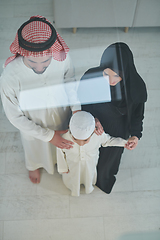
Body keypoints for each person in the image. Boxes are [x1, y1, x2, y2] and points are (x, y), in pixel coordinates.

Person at [0, 16, 81, 184]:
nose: (39, 68)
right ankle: (33, 165)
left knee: (63, 143)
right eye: (32, 62)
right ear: (23, 54)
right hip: (33, 123)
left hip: (61, 114)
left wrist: (77, 109)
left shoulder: (62, 58)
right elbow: (15, 117)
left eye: (45, 61)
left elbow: (70, 81)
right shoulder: (10, 76)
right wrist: (50, 136)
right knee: (35, 147)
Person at [80, 42, 147, 194]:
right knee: (87, 155)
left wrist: (135, 135)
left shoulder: (136, 87)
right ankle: (85, 179)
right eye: (106, 74)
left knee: (109, 161)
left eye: (116, 75)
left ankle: (102, 181)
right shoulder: (91, 76)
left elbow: (137, 115)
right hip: (93, 122)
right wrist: (93, 119)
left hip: (119, 127)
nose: (111, 80)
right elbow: (81, 102)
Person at [56, 111, 128, 196]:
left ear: (93, 130)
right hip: (72, 166)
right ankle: (73, 188)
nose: (81, 144)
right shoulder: (64, 138)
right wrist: (63, 168)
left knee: (88, 176)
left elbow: (109, 140)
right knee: (73, 178)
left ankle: (88, 186)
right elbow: (60, 153)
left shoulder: (97, 136)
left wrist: (125, 143)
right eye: (75, 139)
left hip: (90, 165)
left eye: (85, 140)